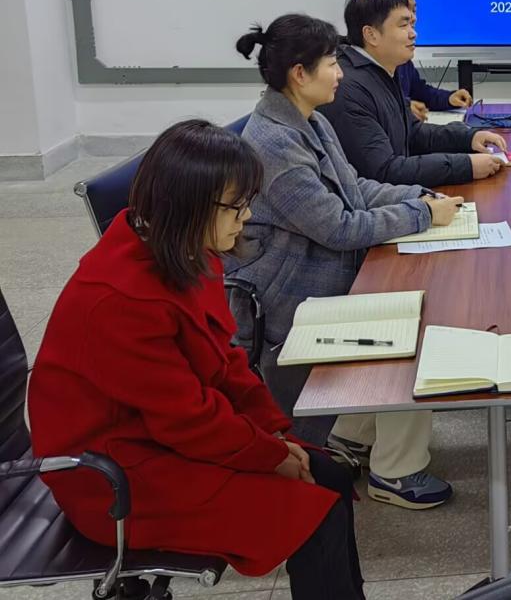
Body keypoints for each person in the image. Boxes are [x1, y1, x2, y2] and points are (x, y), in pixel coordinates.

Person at [28, 121, 366, 599]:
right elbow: (186, 421)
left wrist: (276, 435)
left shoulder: (185, 250)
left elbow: (224, 363)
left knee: (329, 474)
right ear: (188, 204)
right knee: (313, 510)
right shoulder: (121, 298)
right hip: (116, 478)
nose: (247, 216)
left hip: (160, 440)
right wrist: (270, 456)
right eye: (236, 206)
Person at [229, 13, 462, 509]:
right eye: (333, 63)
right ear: (300, 73)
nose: (340, 73)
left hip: (320, 268)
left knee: (416, 292)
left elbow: (355, 189)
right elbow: (338, 227)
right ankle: (395, 472)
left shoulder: (308, 118)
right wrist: (421, 214)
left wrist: (420, 195)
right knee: (417, 321)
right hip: (291, 295)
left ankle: (352, 433)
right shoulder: (274, 144)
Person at [321, 0, 508, 187]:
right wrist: (466, 165)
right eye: (403, 26)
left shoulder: (382, 70)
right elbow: (383, 171)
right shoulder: (348, 87)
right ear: (371, 34)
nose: (413, 34)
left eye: (412, 24)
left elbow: (413, 133)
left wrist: (469, 138)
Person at [378, 0, 472, 122]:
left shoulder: (401, 55)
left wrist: (449, 98)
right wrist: (403, 108)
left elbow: (420, 92)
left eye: (414, 10)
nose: (413, 18)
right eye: (406, 11)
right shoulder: (358, 71)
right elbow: (375, 104)